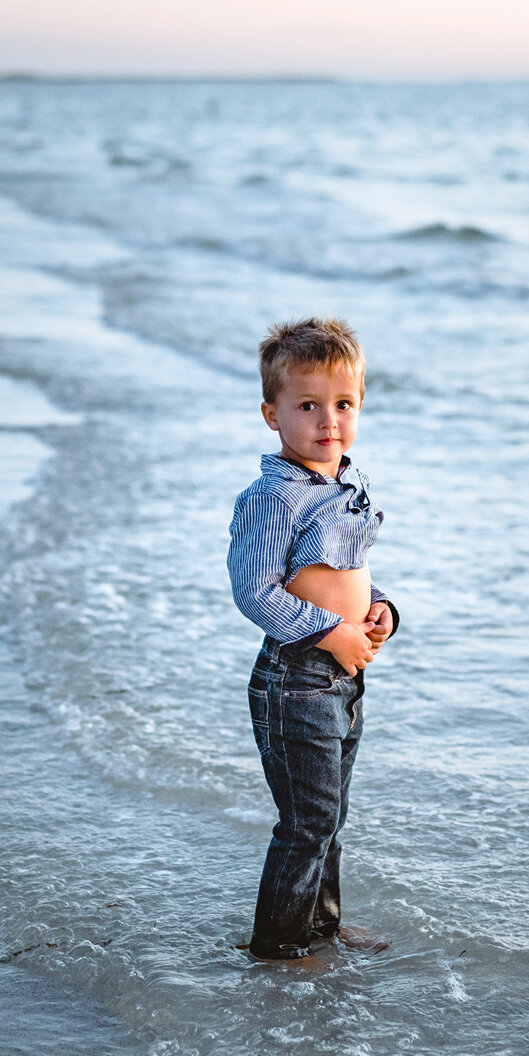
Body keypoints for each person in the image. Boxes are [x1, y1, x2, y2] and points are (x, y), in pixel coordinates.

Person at [227, 317, 397, 963]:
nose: (329, 421)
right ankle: (277, 946)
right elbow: (257, 593)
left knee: (331, 818)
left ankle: (320, 928)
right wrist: (331, 633)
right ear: (272, 414)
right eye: (308, 406)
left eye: (343, 404)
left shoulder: (345, 487)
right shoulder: (272, 498)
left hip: (343, 680)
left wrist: (379, 612)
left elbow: (348, 575)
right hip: (295, 680)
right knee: (306, 823)